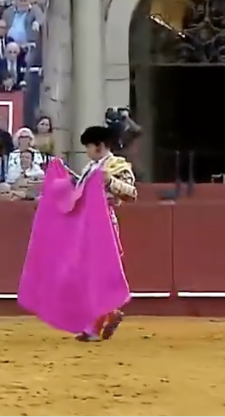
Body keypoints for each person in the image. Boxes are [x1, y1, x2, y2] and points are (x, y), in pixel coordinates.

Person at [74, 124, 137, 343]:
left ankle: (98, 323)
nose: (87, 152)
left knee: (99, 273)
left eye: (88, 147)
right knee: (87, 274)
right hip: (85, 224)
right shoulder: (89, 168)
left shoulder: (116, 165)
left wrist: (109, 180)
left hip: (104, 225)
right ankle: (104, 316)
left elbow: (132, 193)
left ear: (99, 146)